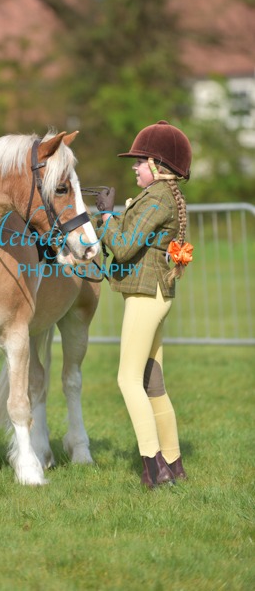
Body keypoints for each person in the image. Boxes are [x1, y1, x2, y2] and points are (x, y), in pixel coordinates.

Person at [96, 120, 193, 488]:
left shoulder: (157, 198)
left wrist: (106, 217)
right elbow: (130, 236)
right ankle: (174, 463)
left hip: (146, 296)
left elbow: (123, 246)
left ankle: (154, 466)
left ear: (157, 164)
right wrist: (110, 218)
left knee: (127, 380)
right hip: (153, 294)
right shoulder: (160, 196)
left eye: (139, 161)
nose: (134, 167)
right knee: (153, 384)